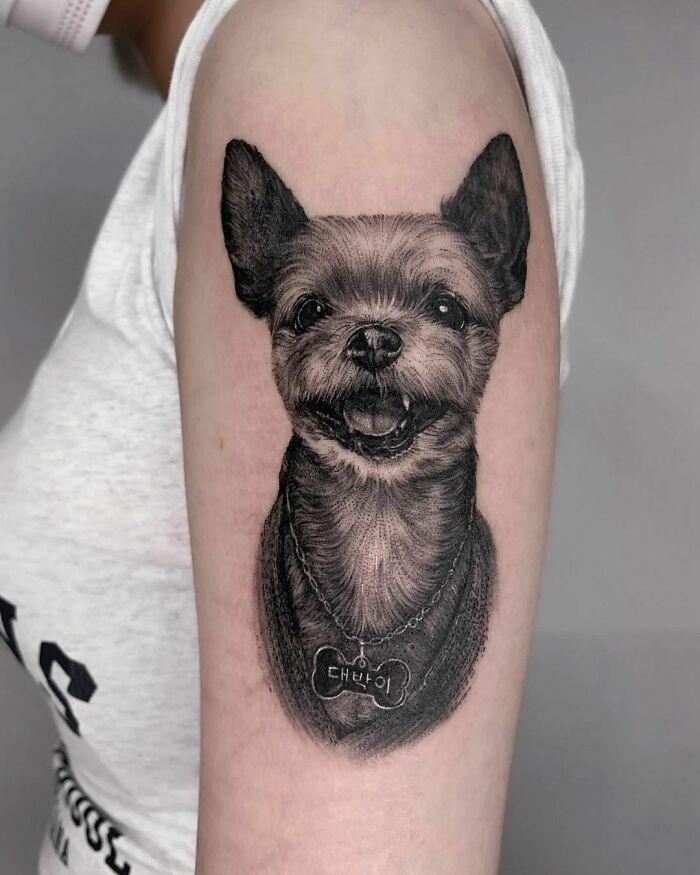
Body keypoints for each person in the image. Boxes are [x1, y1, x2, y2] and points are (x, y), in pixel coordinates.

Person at [0, 0, 584, 872]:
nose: (373, 340)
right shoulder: (246, 71)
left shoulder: (343, 55)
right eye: (313, 311)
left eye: (437, 305)